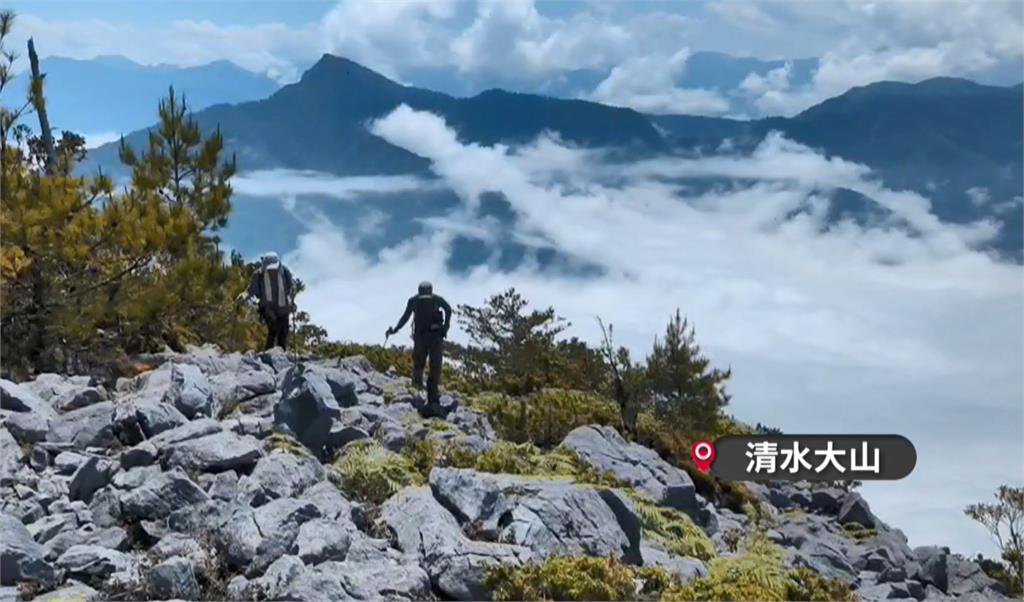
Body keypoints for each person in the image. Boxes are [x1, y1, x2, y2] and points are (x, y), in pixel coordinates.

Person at [386, 281, 452, 406]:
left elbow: (405, 317)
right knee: (433, 366)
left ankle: (419, 392)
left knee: (420, 364)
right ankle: (431, 395)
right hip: (434, 337)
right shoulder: (437, 299)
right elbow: (448, 310)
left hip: (421, 337)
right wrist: (445, 327)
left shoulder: (414, 300)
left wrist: (395, 329)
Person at [238, 252, 295, 351]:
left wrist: (292, 302)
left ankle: (281, 356)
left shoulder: (284, 272)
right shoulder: (259, 275)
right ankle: (269, 354)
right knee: (273, 330)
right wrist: (243, 296)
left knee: (283, 334)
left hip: (283, 308)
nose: (272, 271)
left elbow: (291, 288)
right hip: (268, 309)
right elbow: (250, 290)